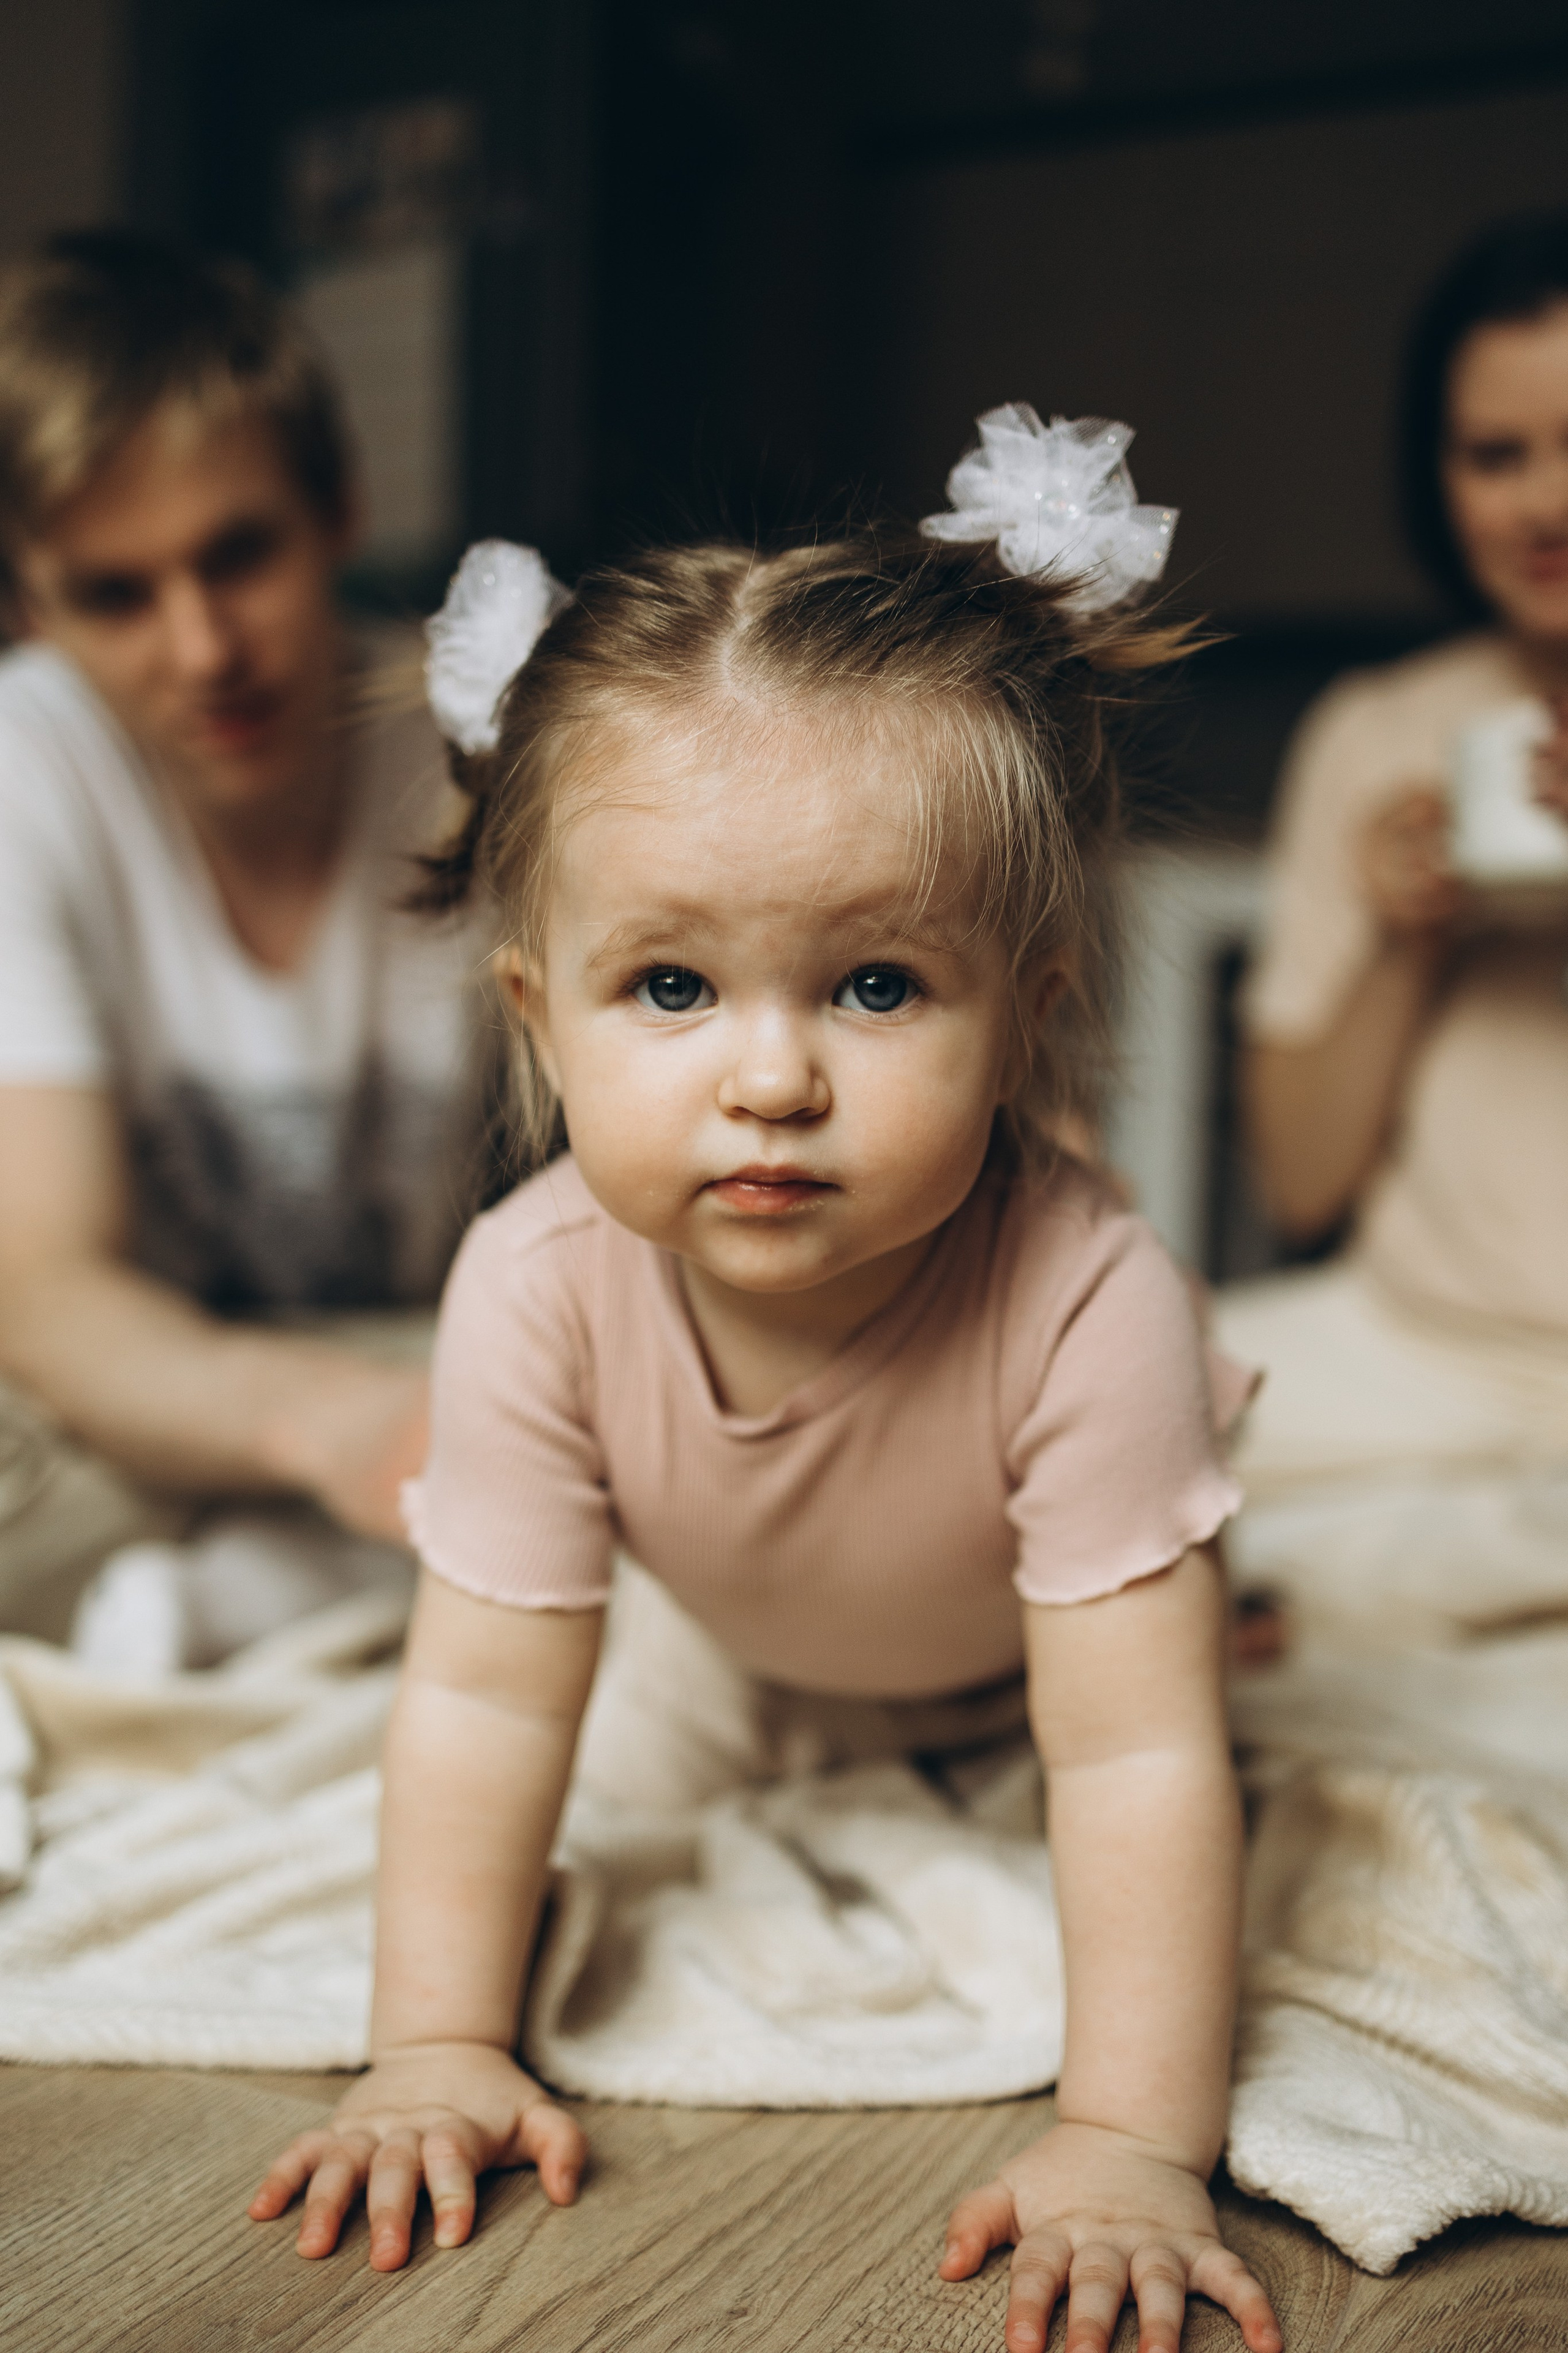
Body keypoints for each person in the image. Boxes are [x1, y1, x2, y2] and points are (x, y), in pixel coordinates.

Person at [249, 410, 1283, 2353]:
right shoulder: (534, 1289)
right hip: (747, 1630)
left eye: (877, 986)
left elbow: (1141, 1763)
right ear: (537, 1021)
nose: (773, 1079)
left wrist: (1134, 2137)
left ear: (1026, 1017)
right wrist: (435, 2044)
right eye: (671, 987)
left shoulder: (1088, 1301)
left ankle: (1192, 1558)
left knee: (1166, 1678)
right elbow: (478, 1695)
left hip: (1014, 1638)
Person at [0, 233, 496, 1644]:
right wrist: (329, 1432)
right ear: (31, 602)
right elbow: (42, 1283)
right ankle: (343, 1576)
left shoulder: (479, 738)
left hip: (443, 1353)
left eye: (239, 554)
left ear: (339, 507)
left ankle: (277, 1591)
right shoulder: (22, 764)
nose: (204, 647)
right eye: (116, 594)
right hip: (153, 1397)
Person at [1222, 213, 1568, 1498]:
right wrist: (1403, 938)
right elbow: (1302, 1187)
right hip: (1411, 1353)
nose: (1545, 500)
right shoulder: (1377, 732)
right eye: (1494, 455)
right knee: (1099, 1430)